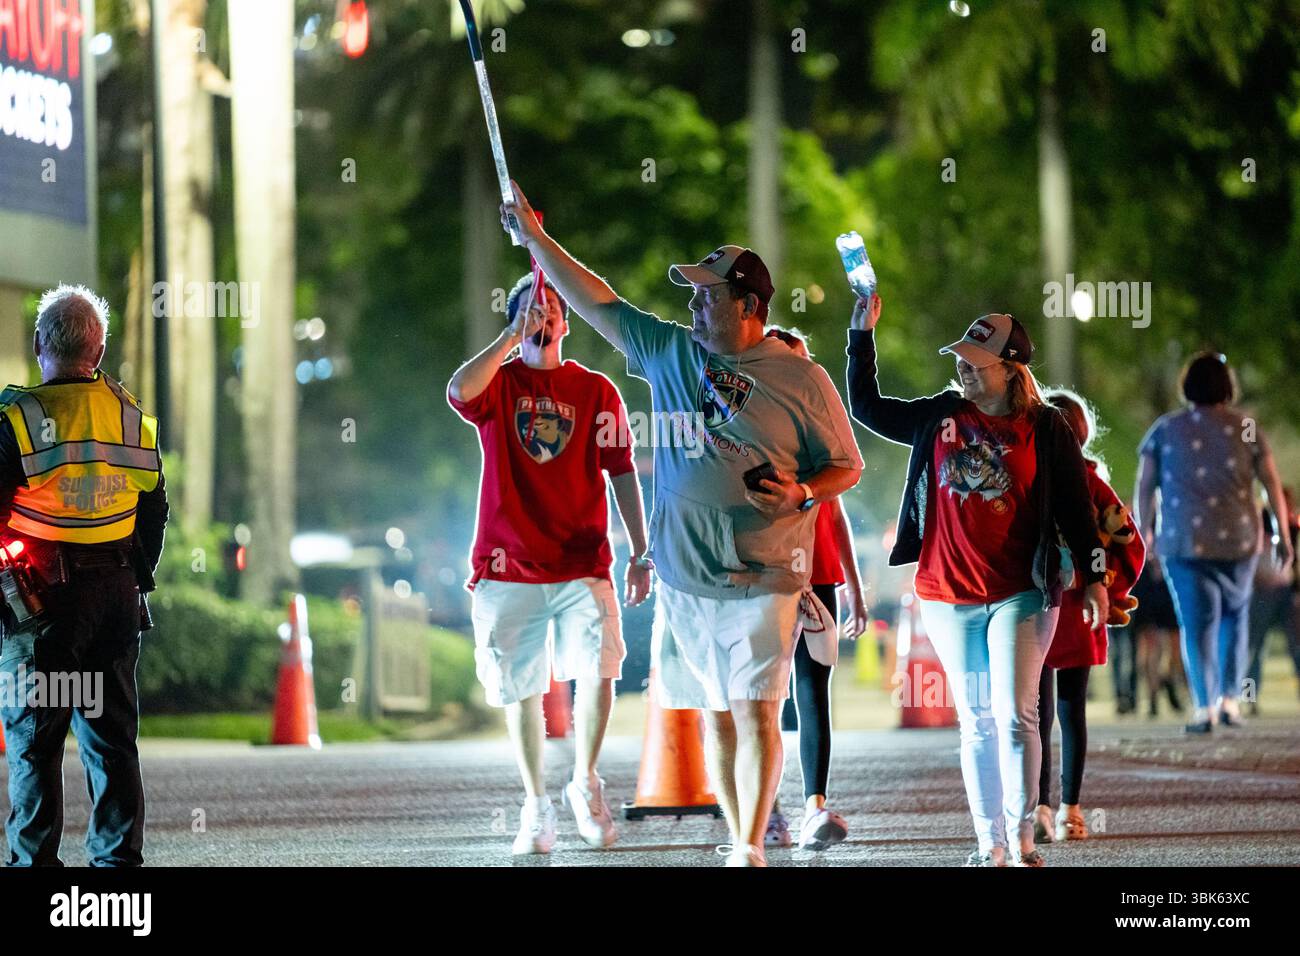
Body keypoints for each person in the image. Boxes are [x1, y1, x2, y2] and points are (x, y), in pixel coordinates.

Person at [500, 184, 864, 867]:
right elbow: (599, 301)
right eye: (694, 295)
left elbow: (846, 465)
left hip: (767, 571)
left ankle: (750, 845)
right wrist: (535, 243)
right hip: (686, 576)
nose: (694, 305)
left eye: (707, 295)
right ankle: (740, 833)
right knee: (719, 717)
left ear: (748, 306)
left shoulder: (802, 378)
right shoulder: (672, 353)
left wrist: (804, 489)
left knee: (757, 709)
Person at [846, 296, 1108, 867]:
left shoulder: (1045, 426)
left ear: (1011, 367)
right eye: (960, 357)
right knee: (977, 723)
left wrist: (1094, 578)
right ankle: (988, 842)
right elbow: (865, 406)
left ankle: (1021, 839)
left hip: (1021, 594)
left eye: (974, 360)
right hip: (946, 596)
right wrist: (860, 334)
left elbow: (1075, 508)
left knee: (1017, 716)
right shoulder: (940, 414)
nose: (962, 367)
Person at [447, 271, 651, 855]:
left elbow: (622, 473)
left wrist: (640, 551)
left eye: (554, 306)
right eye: (533, 306)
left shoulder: (596, 391)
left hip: (583, 560)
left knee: (600, 668)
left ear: (567, 322)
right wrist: (511, 337)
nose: (546, 314)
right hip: (508, 563)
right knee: (521, 688)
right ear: (516, 318)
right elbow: (460, 390)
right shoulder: (499, 384)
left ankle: (585, 782)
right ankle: (535, 803)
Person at [0, 285, 168, 867]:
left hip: (41, 602)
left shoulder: (18, 419)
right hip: (116, 597)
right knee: (112, 742)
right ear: (98, 350)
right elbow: (154, 508)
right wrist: (136, 573)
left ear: (41, 343)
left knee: (35, 746)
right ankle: (118, 875)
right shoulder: (131, 418)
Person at [1134, 352, 1294, 733]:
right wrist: (1281, 535)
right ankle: (1230, 701)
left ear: (1187, 386)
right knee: (1234, 618)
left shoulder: (1164, 429)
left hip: (1183, 541)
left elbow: (1144, 486)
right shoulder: (1247, 428)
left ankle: (1203, 707)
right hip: (1238, 540)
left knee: (1196, 624)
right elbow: (1271, 483)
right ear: (1228, 386)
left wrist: (1146, 533)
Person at [763, 327, 870, 852]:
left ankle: (814, 807)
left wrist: (855, 585)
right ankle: (763, 808)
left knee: (812, 694)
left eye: (808, 368)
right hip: (768, 574)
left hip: (820, 577)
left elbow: (838, 511)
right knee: (762, 699)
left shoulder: (824, 435)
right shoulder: (760, 430)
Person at [1034, 390, 1145, 844]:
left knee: (1034, 712)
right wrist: (1112, 588)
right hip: (1080, 604)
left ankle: (1037, 807)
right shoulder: (1092, 481)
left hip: (1036, 603)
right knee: (1070, 709)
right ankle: (1069, 811)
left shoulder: (1026, 476)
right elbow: (1131, 543)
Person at [1245, 490, 1299, 711]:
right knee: (1253, 647)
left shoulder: (1292, 527)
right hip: (1259, 592)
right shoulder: (1257, 523)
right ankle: (1249, 698)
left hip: (1285, 591)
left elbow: (1295, 562)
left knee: (1296, 645)